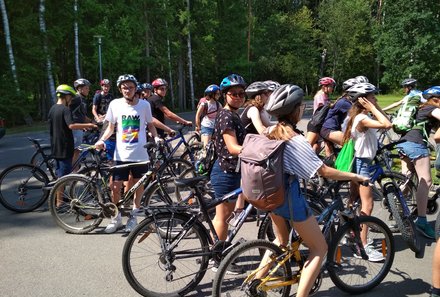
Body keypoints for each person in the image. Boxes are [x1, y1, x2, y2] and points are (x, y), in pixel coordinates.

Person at [264, 84, 369, 297]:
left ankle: (257, 281)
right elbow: (323, 171)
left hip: (268, 195)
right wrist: (355, 176)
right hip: (288, 198)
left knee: (281, 241)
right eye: (301, 106)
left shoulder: (268, 132)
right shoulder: (295, 139)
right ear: (295, 110)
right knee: (320, 249)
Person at [95, 74, 159, 233]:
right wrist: (102, 140)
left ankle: (133, 217)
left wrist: (157, 138)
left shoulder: (144, 105)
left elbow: (150, 125)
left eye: (130, 87)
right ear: (120, 89)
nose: (127, 90)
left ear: (135, 88)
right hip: (121, 155)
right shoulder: (114, 104)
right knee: (115, 187)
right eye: (124, 87)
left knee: (138, 187)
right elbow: (110, 128)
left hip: (140, 154)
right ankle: (115, 218)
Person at [342, 83, 393, 256]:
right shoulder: (362, 119)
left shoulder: (360, 116)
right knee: (367, 205)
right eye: (372, 97)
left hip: (360, 162)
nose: (375, 99)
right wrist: (372, 107)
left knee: (353, 199)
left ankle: (348, 233)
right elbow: (387, 124)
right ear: (362, 101)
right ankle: (362, 246)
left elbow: (386, 120)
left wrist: (374, 106)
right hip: (363, 164)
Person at [210, 74, 247, 274]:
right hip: (226, 172)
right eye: (233, 93)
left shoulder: (232, 115)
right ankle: (217, 260)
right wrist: (259, 151)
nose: (238, 97)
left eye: (241, 93)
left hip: (230, 170)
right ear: (225, 95)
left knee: (223, 217)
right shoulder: (226, 116)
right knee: (222, 218)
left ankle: (216, 253)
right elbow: (233, 147)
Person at [395, 86, 440, 239]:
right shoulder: (430, 107)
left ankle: (395, 207)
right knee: (425, 181)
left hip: (403, 143)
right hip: (415, 144)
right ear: (436, 99)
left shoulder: (421, 108)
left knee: (406, 180)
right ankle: (421, 221)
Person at [48, 84, 97, 207]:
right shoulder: (65, 109)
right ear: (67, 96)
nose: (71, 100)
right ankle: (59, 203)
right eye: (70, 97)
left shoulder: (53, 108)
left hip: (56, 145)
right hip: (65, 146)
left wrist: (84, 126)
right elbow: (71, 125)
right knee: (63, 177)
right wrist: (90, 125)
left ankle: (59, 199)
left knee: (60, 173)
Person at [320, 78, 357, 152]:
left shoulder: (346, 100)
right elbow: (358, 113)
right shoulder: (344, 102)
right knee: (353, 145)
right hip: (329, 129)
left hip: (332, 129)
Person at [306, 77, 336, 154]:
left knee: (318, 145)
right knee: (310, 145)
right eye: (331, 86)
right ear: (324, 86)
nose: (332, 88)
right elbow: (322, 107)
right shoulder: (320, 95)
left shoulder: (325, 96)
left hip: (321, 123)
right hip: (316, 123)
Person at [71, 78, 93, 166]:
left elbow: (82, 115)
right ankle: (72, 170)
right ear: (80, 89)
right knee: (77, 149)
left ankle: (73, 167)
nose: (88, 90)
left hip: (78, 126)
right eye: (86, 88)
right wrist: (92, 123)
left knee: (77, 149)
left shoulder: (81, 99)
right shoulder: (77, 98)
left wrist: (91, 122)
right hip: (75, 127)